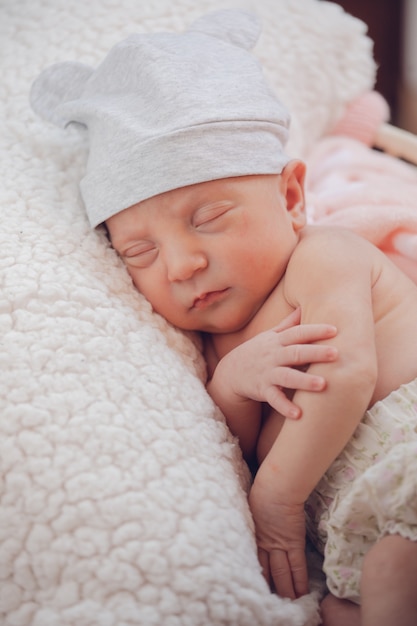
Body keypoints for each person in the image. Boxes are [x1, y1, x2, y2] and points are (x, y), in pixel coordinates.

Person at [30, 10, 417, 626]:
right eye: (140, 253)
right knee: (346, 604)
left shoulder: (323, 257)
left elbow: (341, 376)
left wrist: (276, 501)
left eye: (208, 218)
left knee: (398, 569)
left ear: (291, 199)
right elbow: (241, 449)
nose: (181, 265)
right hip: (353, 528)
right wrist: (232, 385)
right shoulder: (209, 346)